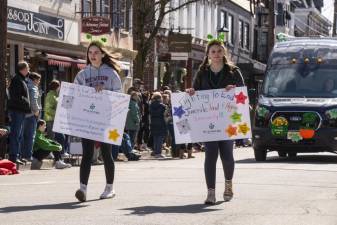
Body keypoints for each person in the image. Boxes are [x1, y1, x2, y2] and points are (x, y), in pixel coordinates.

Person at [186, 40, 245, 204]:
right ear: (208, 54)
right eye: (213, 51)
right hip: (208, 120)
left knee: (227, 154)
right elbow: (195, 91)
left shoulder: (233, 71)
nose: (216, 54)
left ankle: (228, 184)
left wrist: (233, 90)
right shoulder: (203, 71)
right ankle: (210, 192)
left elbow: (242, 92)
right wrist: (191, 92)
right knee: (210, 155)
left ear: (224, 53)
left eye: (219, 51)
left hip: (227, 120)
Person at [73, 40, 122, 202]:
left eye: (96, 52)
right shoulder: (82, 74)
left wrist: (105, 92)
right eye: (90, 53)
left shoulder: (111, 74)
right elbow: (74, 95)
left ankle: (110, 187)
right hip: (88, 119)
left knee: (106, 153)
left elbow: (119, 97)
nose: (92, 56)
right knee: (87, 153)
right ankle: (83, 189)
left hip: (106, 119)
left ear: (102, 54)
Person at [7, 61, 31, 164]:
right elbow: (16, 96)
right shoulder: (17, 79)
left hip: (20, 111)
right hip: (17, 111)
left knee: (18, 134)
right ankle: (13, 156)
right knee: (16, 134)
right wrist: (27, 102)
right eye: (28, 68)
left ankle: (17, 155)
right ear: (23, 69)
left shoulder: (21, 79)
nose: (29, 70)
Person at [21, 72, 42, 162]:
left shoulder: (24, 83)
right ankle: (28, 156)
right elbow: (33, 100)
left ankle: (21, 155)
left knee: (22, 136)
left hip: (23, 114)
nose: (39, 82)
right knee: (30, 136)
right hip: (31, 115)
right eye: (38, 80)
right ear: (35, 80)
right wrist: (36, 111)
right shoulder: (33, 87)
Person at [149, 92, 167, 158]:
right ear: (159, 98)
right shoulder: (163, 106)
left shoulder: (151, 105)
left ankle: (156, 151)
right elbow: (165, 115)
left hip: (153, 123)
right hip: (161, 123)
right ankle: (158, 153)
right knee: (160, 138)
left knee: (155, 138)